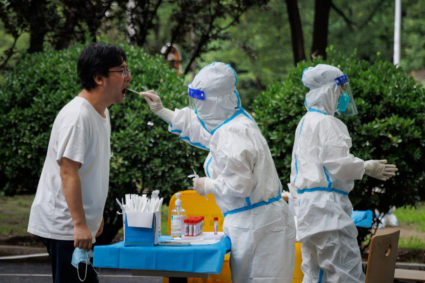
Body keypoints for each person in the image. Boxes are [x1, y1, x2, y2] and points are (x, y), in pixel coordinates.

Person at [140, 62, 296, 283]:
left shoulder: (233, 133)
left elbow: (240, 184)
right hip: (257, 223)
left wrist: (209, 185)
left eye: (201, 101)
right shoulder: (231, 122)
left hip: (259, 227)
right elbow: (202, 131)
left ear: (216, 101)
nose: (198, 107)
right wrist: (162, 111)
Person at [28, 43, 132, 282]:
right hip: (65, 226)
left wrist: (95, 217)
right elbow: (68, 172)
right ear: (99, 78)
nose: (129, 77)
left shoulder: (101, 112)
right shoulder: (77, 116)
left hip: (77, 226)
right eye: (123, 70)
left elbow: (91, 171)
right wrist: (80, 224)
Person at [288, 64, 397, 283]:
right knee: (344, 273)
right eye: (340, 90)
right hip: (327, 214)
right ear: (329, 91)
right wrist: (365, 166)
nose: (343, 95)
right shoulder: (328, 123)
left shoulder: (305, 122)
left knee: (313, 273)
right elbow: (337, 163)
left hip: (307, 211)